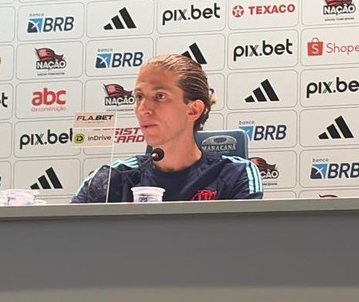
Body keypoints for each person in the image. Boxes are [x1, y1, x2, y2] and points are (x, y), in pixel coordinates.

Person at [71, 54, 263, 203]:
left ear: (193, 109)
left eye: (160, 96)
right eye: (139, 97)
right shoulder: (111, 178)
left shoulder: (235, 174)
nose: (143, 109)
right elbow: (67, 240)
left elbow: (244, 246)